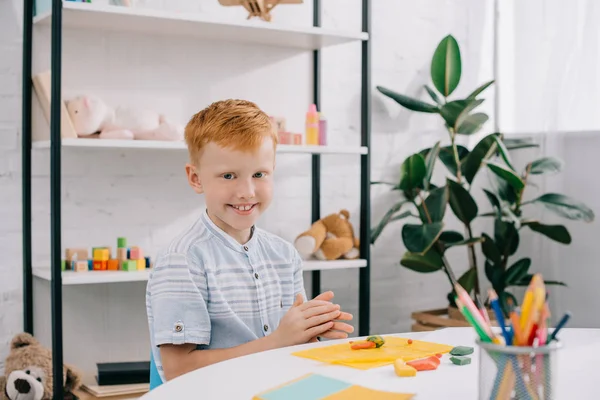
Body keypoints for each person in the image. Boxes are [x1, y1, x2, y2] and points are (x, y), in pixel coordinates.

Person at [145, 99, 354, 384]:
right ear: (196, 178)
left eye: (259, 174)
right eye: (228, 176)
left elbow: (291, 345)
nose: (246, 191)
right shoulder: (184, 260)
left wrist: (310, 330)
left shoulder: (284, 254)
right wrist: (280, 340)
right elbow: (178, 370)